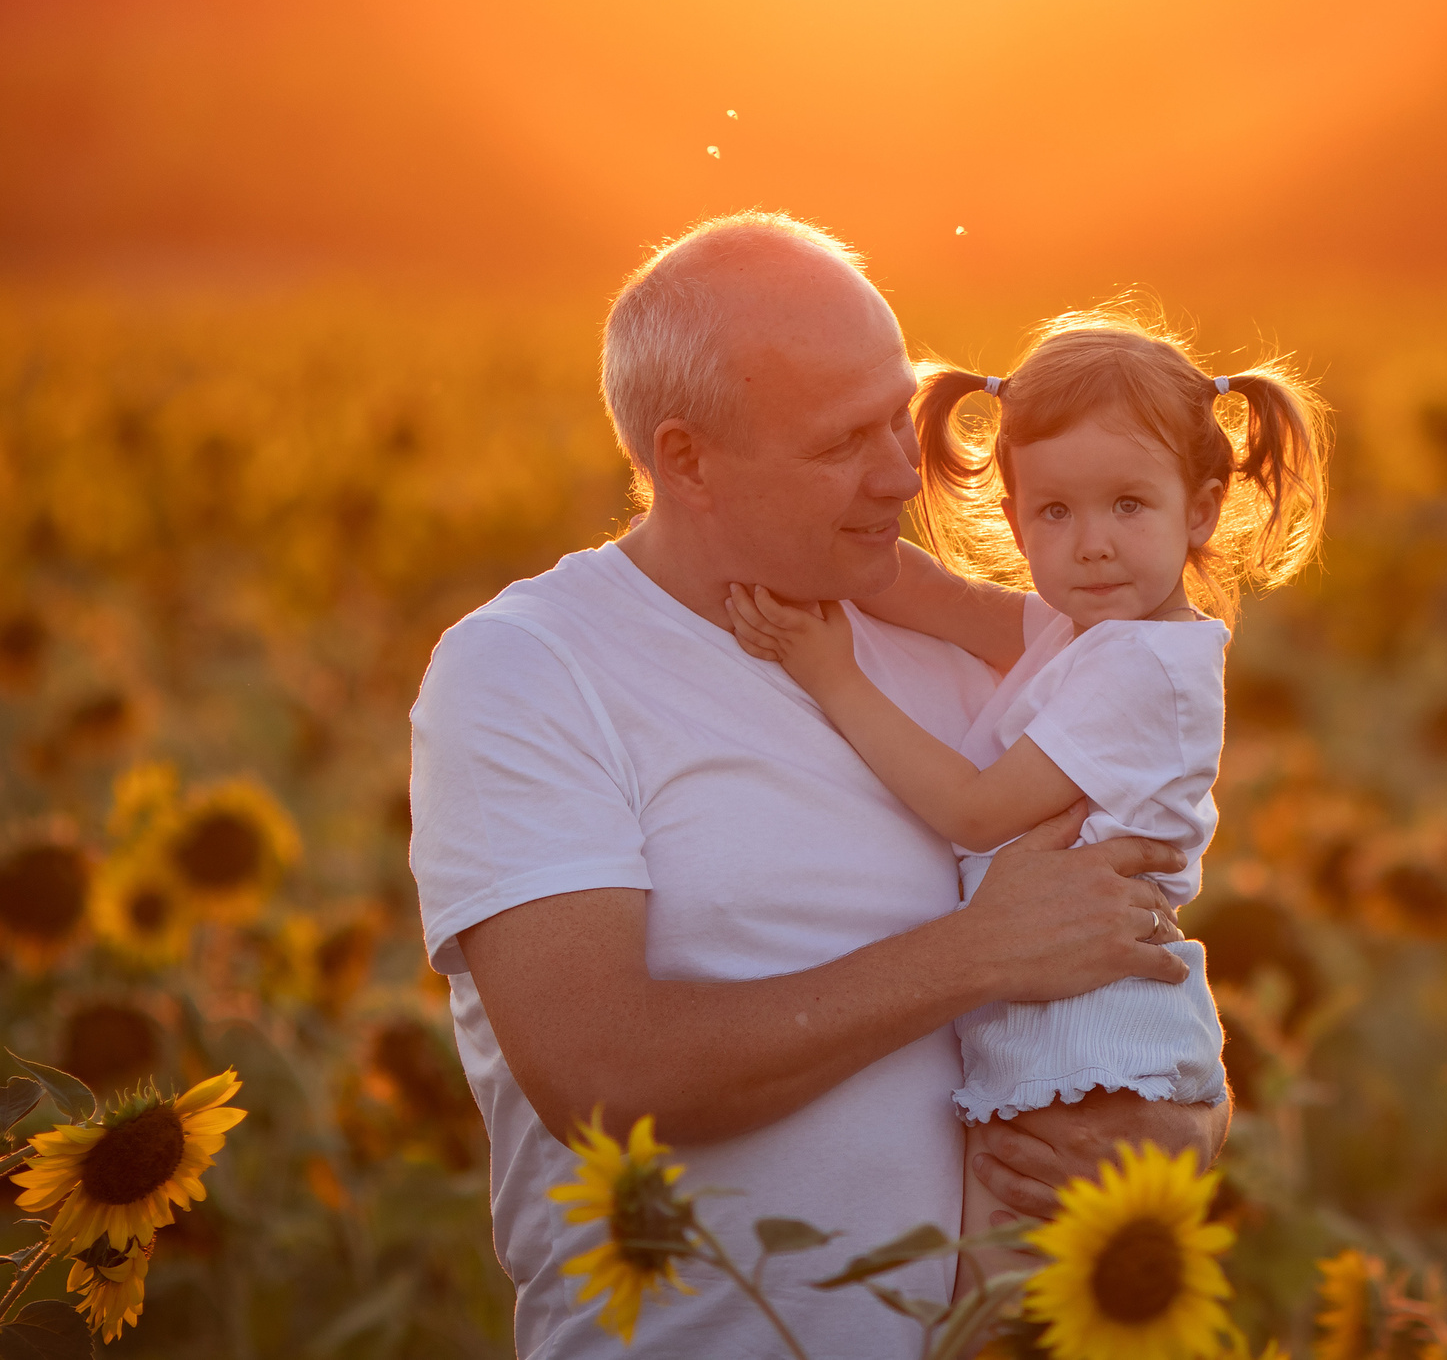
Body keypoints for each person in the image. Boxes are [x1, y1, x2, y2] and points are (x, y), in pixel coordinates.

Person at [406, 213, 1227, 1357]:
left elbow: (1118, 948)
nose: (903, 473)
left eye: (900, 415)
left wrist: (1180, 1122)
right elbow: (600, 1072)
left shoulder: (974, 655)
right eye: (846, 440)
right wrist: (974, 954)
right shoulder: (532, 668)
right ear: (686, 458)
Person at [726, 312, 1327, 1267]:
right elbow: (945, 602)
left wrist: (829, 672)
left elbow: (972, 811)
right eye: (1056, 512)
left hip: (1091, 1056)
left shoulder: (1146, 670)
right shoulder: (1092, 630)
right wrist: (803, 544)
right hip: (1051, 1033)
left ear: (1202, 509)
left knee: (997, 1315)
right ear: (1015, 519)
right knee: (980, 1305)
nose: (1091, 544)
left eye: (1129, 504)